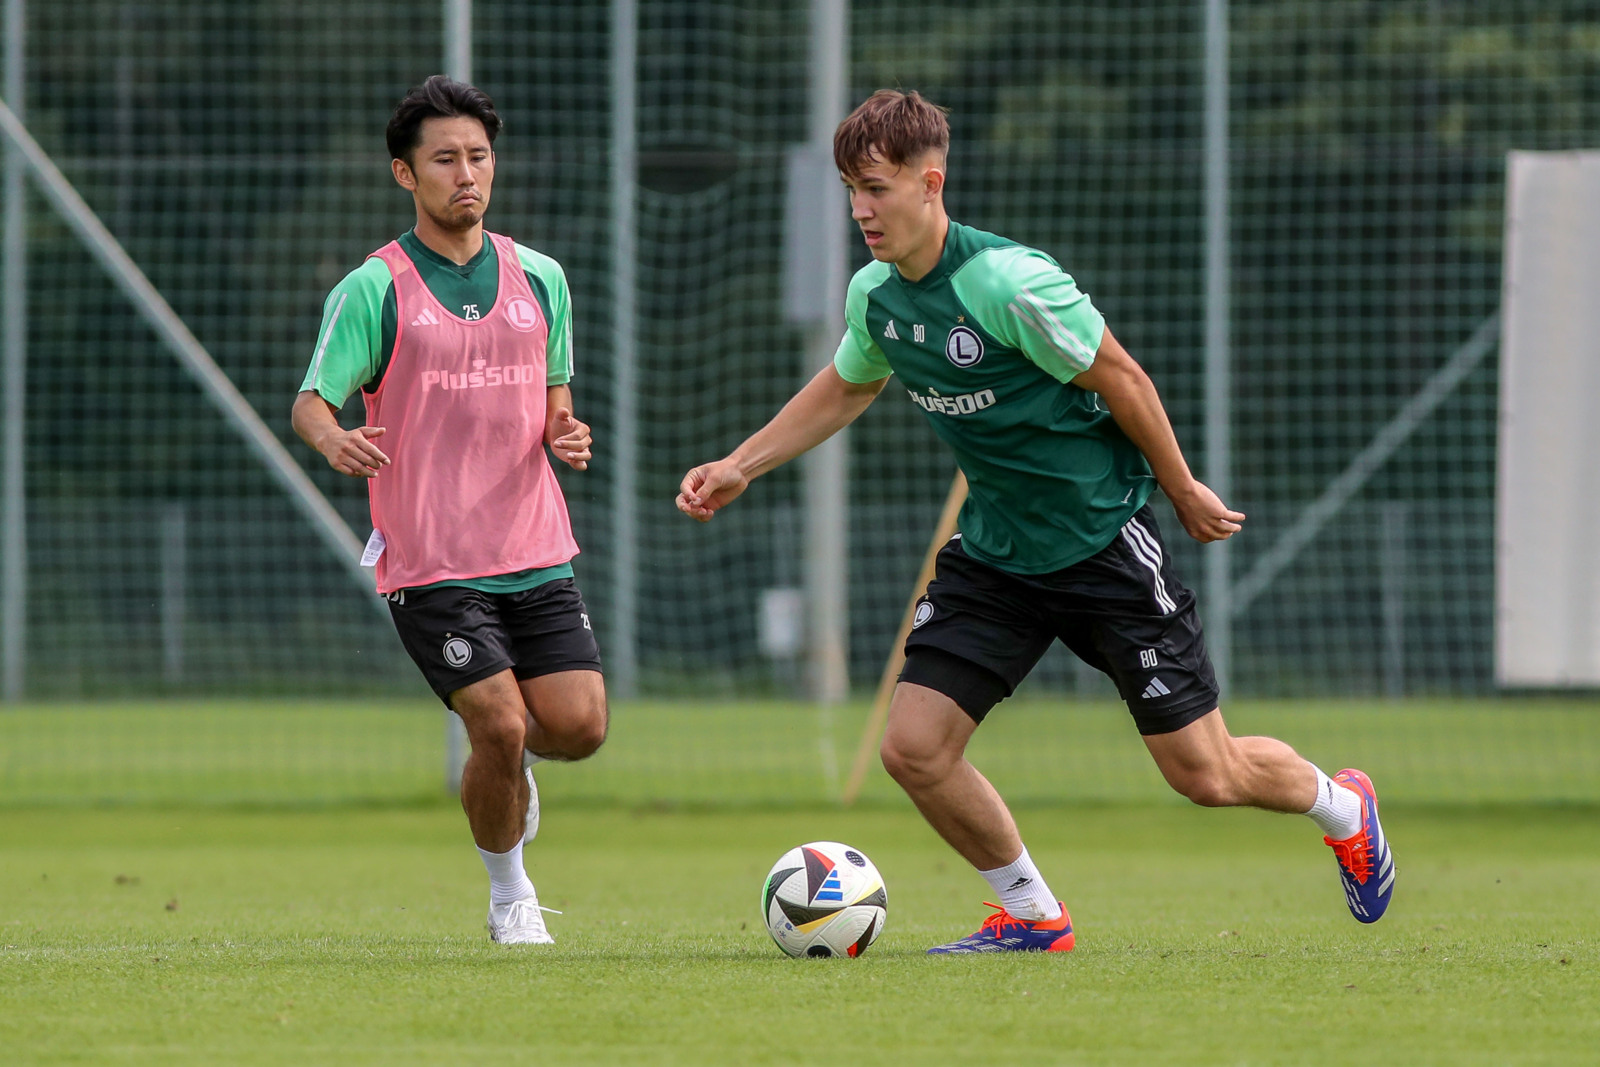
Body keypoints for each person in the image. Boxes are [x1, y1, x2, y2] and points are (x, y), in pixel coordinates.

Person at [676, 89, 1393, 953]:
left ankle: (1345, 805)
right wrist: (738, 464)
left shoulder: (1007, 282)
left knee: (1206, 773)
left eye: (877, 187)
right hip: (996, 557)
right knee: (915, 748)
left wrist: (1183, 489)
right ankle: (1032, 914)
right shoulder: (875, 297)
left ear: (929, 183)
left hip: (1102, 547)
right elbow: (849, 383)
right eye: (850, 189)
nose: (861, 209)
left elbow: (1123, 378)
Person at [292, 75, 607, 946]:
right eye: (444, 159)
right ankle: (512, 898)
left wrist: (566, 433)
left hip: (537, 546)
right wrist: (334, 441)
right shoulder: (374, 288)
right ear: (406, 175)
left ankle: (506, 774)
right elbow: (313, 401)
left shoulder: (540, 278)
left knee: (578, 728)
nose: (466, 173)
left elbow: (555, 406)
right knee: (499, 721)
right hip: (431, 560)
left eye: (478, 156)